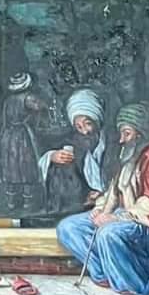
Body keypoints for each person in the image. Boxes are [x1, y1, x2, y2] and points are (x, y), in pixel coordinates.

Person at [55, 102, 149, 295]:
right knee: (69, 227)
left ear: (140, 134)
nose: (121, 140)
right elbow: (113, 192)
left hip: (147, 226)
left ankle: (128, 283)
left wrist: (114, 218)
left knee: (107, 233)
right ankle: (103, 273)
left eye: (126, 134)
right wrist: (100, 211)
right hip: (125, 217)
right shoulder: (129, 156)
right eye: (121, 133)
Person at [38, 88, 113, 216]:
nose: (84, 131)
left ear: (97, 120)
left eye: (88, 124)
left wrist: (104, 194)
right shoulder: (74, 142)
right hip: (82, 204)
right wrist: (52, 156)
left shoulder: (113, 142)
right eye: (79, 127)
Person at [0, 71, 47, 214]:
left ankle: (11, 202)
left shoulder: (8, 100)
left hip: (8, 135)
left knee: (11, 167)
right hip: (22, 136)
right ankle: (27, 203)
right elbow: (42, 107)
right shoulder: (28, 98)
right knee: (25, 167)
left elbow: (4, 120)